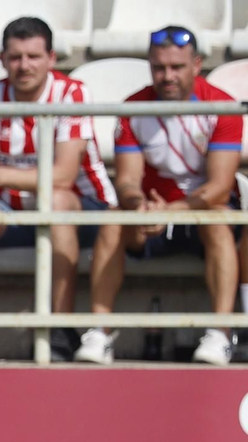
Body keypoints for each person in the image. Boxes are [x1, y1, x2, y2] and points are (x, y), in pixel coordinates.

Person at [0, 17, 114, 362]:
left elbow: (63, 174)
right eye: (16, 57)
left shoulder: (72, 93)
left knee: (58, 201)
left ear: (51, 58)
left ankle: (59, 327)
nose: (24, 66)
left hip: (84, 209)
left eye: (33, 56)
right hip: (13, 210)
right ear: (2, 59)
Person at [76, 26, 241, 367]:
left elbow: (220, 187)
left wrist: (173, 210)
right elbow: (126, 181)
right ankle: (99, 332)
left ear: (196, 65)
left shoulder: (222, 106)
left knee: (218, 220)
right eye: (159, 67)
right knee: (113, 219)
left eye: (177, 67)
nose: (167, 76)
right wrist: (140, 205)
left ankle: (220, 333)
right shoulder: (133, 108)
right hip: (152, 212)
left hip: (202, 211)